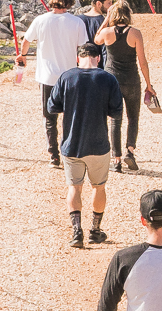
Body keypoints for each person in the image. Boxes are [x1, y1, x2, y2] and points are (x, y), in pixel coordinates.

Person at [53, 41, 125, 247]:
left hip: (71, 144)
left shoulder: (66, 77)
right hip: (98, 144)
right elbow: (116, 111)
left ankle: (77, 232)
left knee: (74, 187)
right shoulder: (108, 78)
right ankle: (95, 229)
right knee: (98, 187)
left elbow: (52, 106)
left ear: (78, 58)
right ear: (99, 58)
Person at [22, 0, 90, 167]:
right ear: (69, 1)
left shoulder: (40, 20)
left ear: (52, 0)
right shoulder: (77, 22)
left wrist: (22, 56)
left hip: (47, 77)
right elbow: (83, 49)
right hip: (70, 77)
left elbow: (26, 41)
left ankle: (53, 155)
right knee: (69, 115)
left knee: (50, 117)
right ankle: (69, 150)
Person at [93, 0, 156, 172]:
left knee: (115, 119)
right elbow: (143, 62)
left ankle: (117, 159)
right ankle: (130, 150)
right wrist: (149, 85)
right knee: (133, 117)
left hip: (111, 80)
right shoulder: (135, 33)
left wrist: (106, 20)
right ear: (128, 14)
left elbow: (95, 40)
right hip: (131, 80)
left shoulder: (106, 32)